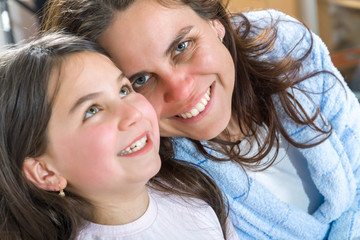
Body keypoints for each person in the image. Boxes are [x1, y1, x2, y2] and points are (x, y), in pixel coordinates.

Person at [42, 0, 360, 239]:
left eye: (182, 46)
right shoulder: (154, 189)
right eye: (139, 80)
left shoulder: (282, 44)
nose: (180, 90)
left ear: (213, 21)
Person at [0, 32, 238, 240]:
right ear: (46, 172)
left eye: (124, 90)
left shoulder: (194, 191)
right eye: (92, 110)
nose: (132, 113)